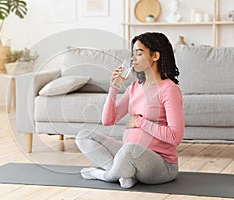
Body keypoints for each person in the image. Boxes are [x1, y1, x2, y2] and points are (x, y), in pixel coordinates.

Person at [75, 32, 184, 189]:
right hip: (129, 153)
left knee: (130, 149)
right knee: (84, 136)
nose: (133, 59)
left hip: (161, 165)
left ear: (155, 56)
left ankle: (105, 175)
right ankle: (125, 173)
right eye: (133, 54)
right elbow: (108, 120)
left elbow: (175, 137)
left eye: (139, 54)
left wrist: (140, 122)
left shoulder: (169, 89)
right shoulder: (134, 88)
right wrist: (114, 87)